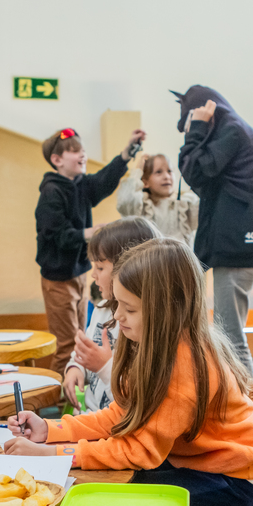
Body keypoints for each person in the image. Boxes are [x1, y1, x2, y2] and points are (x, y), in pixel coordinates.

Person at [4, 238, 253, 506]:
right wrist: (51, 430)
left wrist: (52, 455)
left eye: (129, 309)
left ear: (165, 309)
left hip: (230, 479)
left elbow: (138, 452)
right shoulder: (156, 344)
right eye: (118, 305)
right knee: (103, 495)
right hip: (188, 460)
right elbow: (123, 415)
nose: (118, 318)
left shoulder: (183, 368)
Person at [174, 85, 253, 373]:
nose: (190, 129)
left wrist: (196, 130)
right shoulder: (236, 131)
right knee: (226, 336)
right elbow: (202, 179)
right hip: (236, 246)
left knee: (230, 339)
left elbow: (193, 171)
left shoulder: (232, 132)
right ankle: (236, 396)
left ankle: (248, 400)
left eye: (191, 120)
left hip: (236, 250)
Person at [36, 126, 145, 375]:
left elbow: (105, 180)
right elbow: (57, 235)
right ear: (57, 160)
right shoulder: (51, 192)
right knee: (66, 347)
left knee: (79, 338)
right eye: (75, 151)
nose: (82, 154)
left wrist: (127, 153)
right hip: (58, 280)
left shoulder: (81, 185)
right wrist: (90, 232)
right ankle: (60, 394)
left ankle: (76, 390)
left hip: (78, 274)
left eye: (83, 150)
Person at [62, 218, 161, 413]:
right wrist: (75, 368)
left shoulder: (143, 323)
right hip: (89, 417)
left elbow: (138, 401)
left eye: (100, 268)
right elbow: (84, 353)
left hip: (118, 421)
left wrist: (104, 367)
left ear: (128, 268)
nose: (93, 275)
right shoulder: (101, 309)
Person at [116, 153, 198, 246]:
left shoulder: (185, 205)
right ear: (145, 182)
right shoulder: (142, 206)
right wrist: (138, 171)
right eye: (158, 172)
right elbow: (125, 202)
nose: (166, 177)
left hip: (180, 255)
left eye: (170, 171)